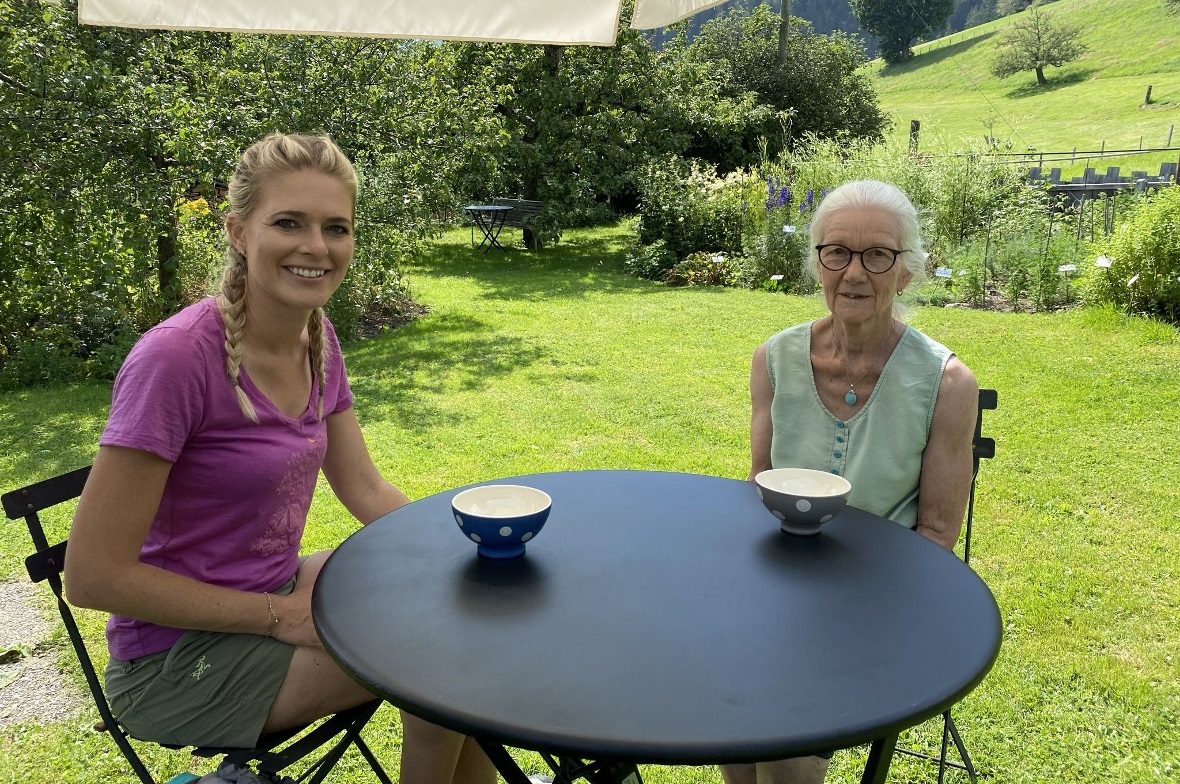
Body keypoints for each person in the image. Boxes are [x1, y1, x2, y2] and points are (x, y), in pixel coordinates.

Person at [65, 132, 497, 784]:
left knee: (464, 607)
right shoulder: (174, 359)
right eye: (289, 223)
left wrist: (470, 549)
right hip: (173, 660)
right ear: (239, 231)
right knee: (440, 665)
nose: (316, 247)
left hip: (271, 594)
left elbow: (366, 489)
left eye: (336, 227)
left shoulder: (315, 337)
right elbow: (93, 575)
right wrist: (276, 617)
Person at [727, 179, 979, 784]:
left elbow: (938, 535)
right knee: (724, 700)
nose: (855, 272)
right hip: (775, 585)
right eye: (837, 251)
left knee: (772, 730)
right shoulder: (774, 359)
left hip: (877, 604)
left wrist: (847, 615)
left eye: (878, 255)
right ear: (817, 263)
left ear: (908, 271)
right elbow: (756, 487)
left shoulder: (947, 383)